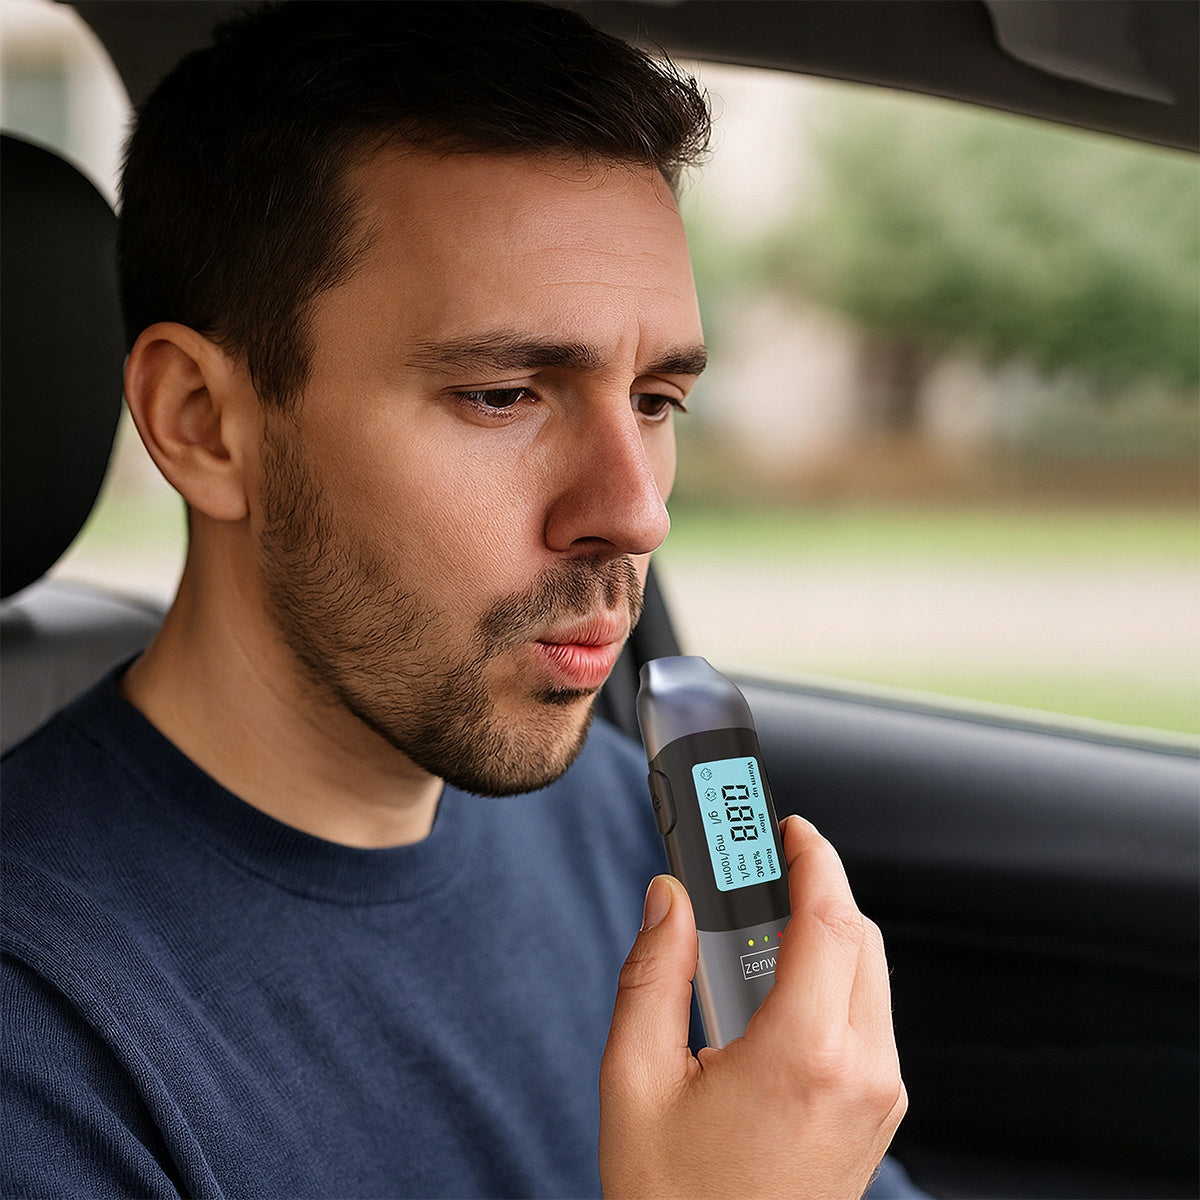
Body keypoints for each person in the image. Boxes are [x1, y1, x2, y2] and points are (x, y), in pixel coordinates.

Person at [2, 3, 917, 1196]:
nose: (639, 513)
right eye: (502, 394)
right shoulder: (45, 1042)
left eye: (656, 399)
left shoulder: (616, 815)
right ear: (201, 422)